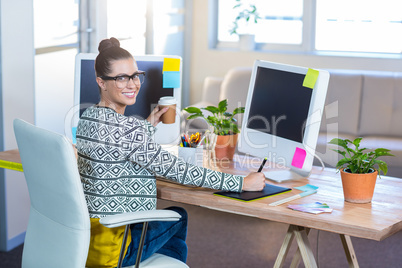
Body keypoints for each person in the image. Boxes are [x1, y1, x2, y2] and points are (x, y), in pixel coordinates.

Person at [76, 37, 266, 267]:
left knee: (167, 232)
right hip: (115, 248)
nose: (133, 84)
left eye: (135, 75)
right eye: (121, 78)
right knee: (178, 216)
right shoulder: (127, 132)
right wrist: (242, 183)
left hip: (87, 242)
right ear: (101, 82)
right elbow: (179, 171)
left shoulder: (88, 118)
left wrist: (146, 125)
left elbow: (117, 144)